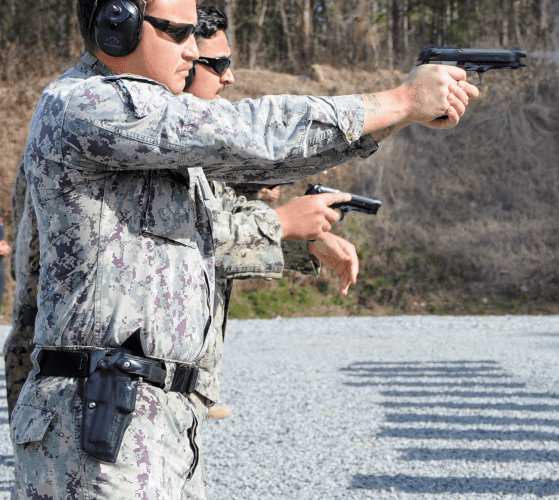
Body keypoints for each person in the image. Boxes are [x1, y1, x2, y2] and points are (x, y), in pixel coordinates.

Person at [10, 0, 478, 497]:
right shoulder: (88, 104)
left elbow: (259, 172)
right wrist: (399, 100)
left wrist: (401, 116)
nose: (193, 50)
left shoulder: (147, 132)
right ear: (115, 26)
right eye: (176, 32)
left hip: (153, 420)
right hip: (100, 421)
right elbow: (249, 134)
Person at [181, 4, 361, 422]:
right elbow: (187, 246)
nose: (230, 77)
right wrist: (283, 223)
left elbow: (221, 219)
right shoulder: (138, 143)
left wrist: (308, 243)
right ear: (183, 61)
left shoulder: (181, 145)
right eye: (219, 64)